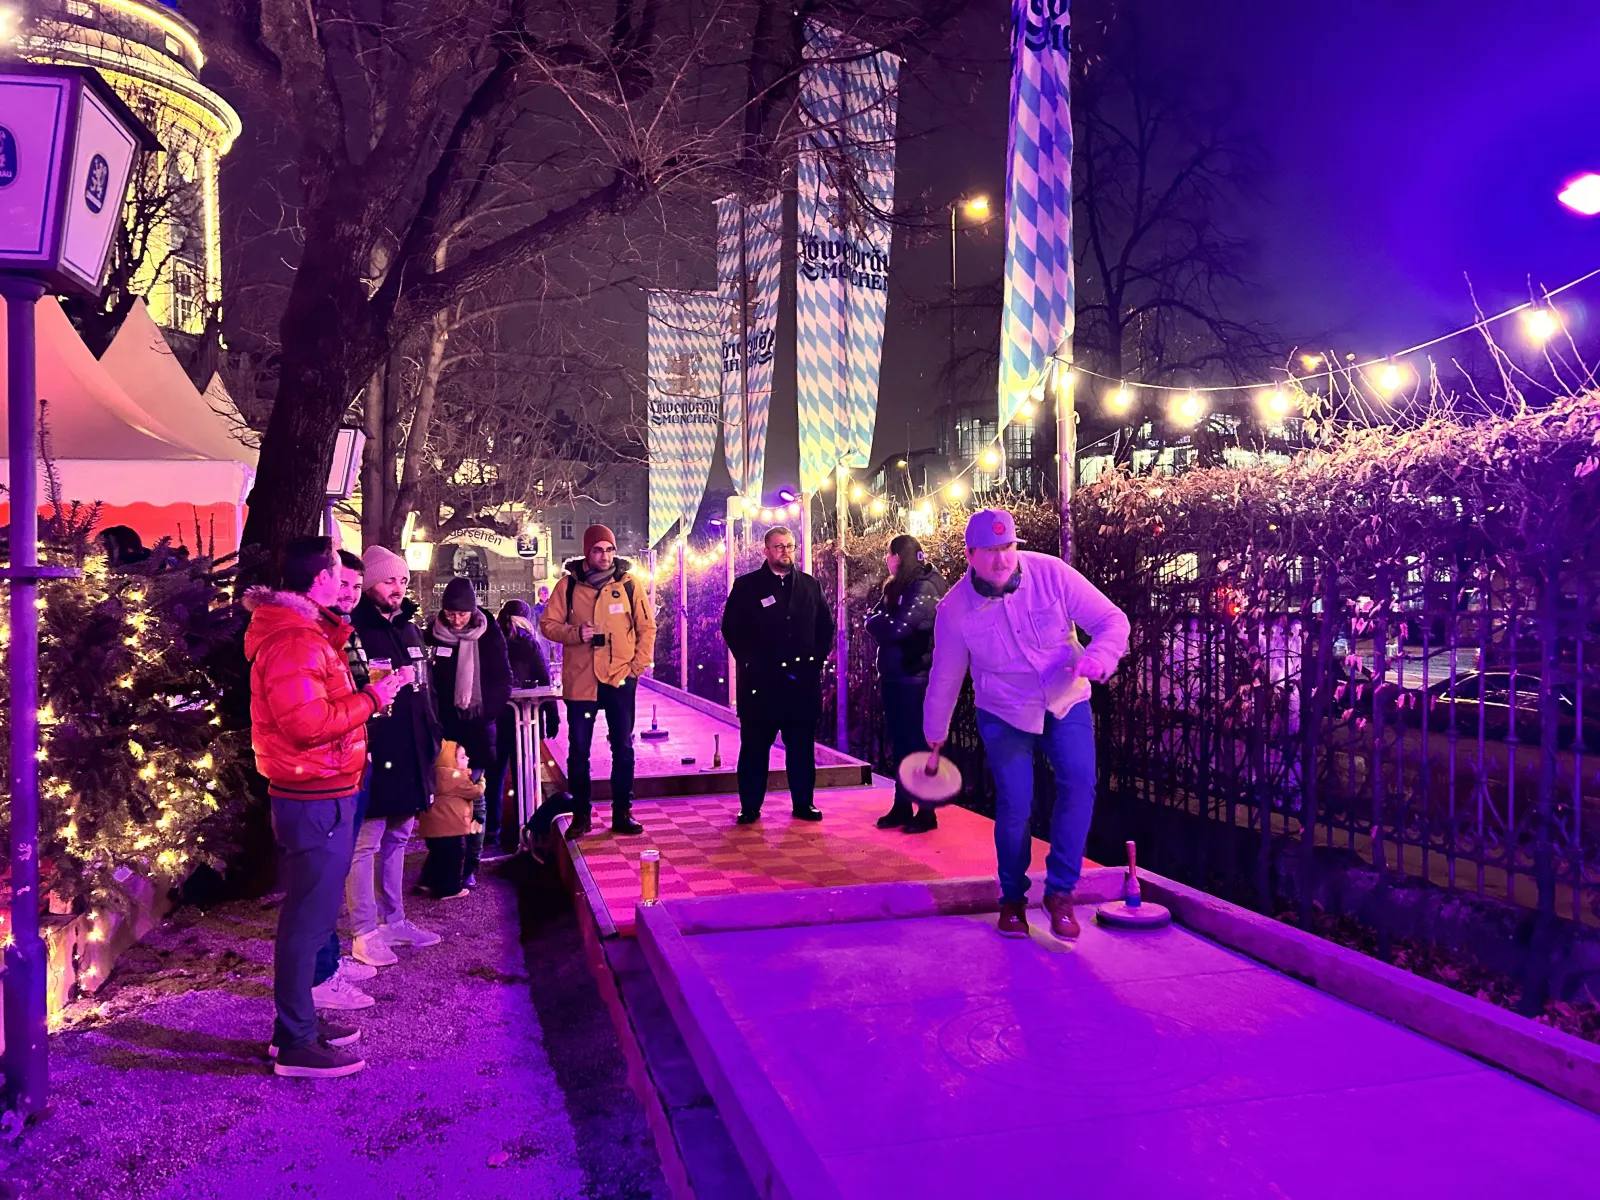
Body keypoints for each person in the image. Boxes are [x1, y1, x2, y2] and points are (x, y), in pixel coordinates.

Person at [924, 509, 1130, 941]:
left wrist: (1102, 656)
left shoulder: (1052, 573)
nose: (1001, 560)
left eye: (1008, 548)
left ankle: (1060, 893)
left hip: (1065, 697)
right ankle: (1013, 898)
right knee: (1016, 803)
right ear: (970, 555)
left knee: (1079, 784)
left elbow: (1112, 620)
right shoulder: (955, 608)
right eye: (990, 552)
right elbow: (946, 673)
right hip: (1004, 709)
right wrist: (935, 730)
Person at [244, 536, 404, 1078]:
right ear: (320, 579)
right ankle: (294, 1042)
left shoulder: (309, 633)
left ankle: (299, 1025)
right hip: (313, 794)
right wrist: (375, 699)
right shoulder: (294, 640)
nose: (348, 584)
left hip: (324, 790)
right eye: (341, 574)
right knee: (306, 919)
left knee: (311, 916)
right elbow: (307, 725)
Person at [347, 546, 444, 966]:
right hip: (375, 750)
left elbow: (426, 689)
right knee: (365, 843)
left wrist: (434, 734)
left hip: (412, 749)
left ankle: (394, 920)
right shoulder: (354, 630)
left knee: (400, 837)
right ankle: (364, 932)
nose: (398, 588)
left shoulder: (408, 628)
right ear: (368, 583)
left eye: (403, 581)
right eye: (389, 580)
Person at [538, 524, 656, 839]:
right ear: (587, 552)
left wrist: (637, 666)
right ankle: (581, 815)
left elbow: (647, 627)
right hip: (582, 681)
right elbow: (548, 625)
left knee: (623, 746)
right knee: (578, 751)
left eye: (609, 549)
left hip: (619, 678)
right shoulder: (568, 586)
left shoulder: (630, 585)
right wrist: (575, 633)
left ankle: (622, 812)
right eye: (598, 550)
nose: (604, 556)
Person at [721, 526, 835, 825]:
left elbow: (825, 627)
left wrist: (816, 661)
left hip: (801, 685)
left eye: (790, 546)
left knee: (800, 748)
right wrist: (749, 662)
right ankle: (750, 806)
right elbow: (731, 628)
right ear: (766, 551)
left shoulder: (811, 586)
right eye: (779, 546)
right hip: (761, 685)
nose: (785, 551)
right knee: (755, 749)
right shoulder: (746, 586)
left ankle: (803, 803)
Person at [307, 549, 380, 1011]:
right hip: (324, 771)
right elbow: (317, 715)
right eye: (343, 584)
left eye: (355, 586)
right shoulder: (311, 634)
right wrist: (374, 696)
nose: (348, 594)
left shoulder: (341, 630)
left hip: (350, 758)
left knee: (332, 874)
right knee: (321, 879)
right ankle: (317, 977)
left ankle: (329, 960)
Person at [426, 576, 512, 886]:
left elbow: (503, 679)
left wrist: (485, 713)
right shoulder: (433, 635)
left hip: (476, 728)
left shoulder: (489, 634)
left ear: (473, 610)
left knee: (475, 796)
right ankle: (444, 860)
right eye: (451, 614)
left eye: (462, 614)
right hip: (445, 730)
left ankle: (471, 865)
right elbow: (429, 682)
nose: (456, 619)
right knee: (444, 797)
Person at [866, 534, 947, 833]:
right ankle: (902, 805)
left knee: (916, 744)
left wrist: (877, 622)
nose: (887, 559)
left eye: (889, 554)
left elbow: (897, 629)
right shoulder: (900, 585)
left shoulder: (924, 586)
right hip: (897, 676)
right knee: (900, 743)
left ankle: (926, 811)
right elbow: (874, 617)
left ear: (899, 556)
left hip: (914, 677)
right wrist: (878, 620)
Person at [490, 599, 557, 852]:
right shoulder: (528, 639)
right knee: (524, 772)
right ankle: (524, 827)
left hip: (497, 715)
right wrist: (552, 713)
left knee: (495, 775)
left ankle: (491, 832)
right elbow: (543, 676)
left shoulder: (493, 637)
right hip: (523, 717)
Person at [417, 740, 483, 899]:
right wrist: (482, 782)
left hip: (432, 828)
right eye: (462, 757)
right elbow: (476, 792)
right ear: (449, 761)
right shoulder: (456, 777)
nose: (467, 759)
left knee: (437, 855)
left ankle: (427, 881)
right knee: (453, 858)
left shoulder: (433, 774)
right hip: (450, 829)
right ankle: (450, 889)